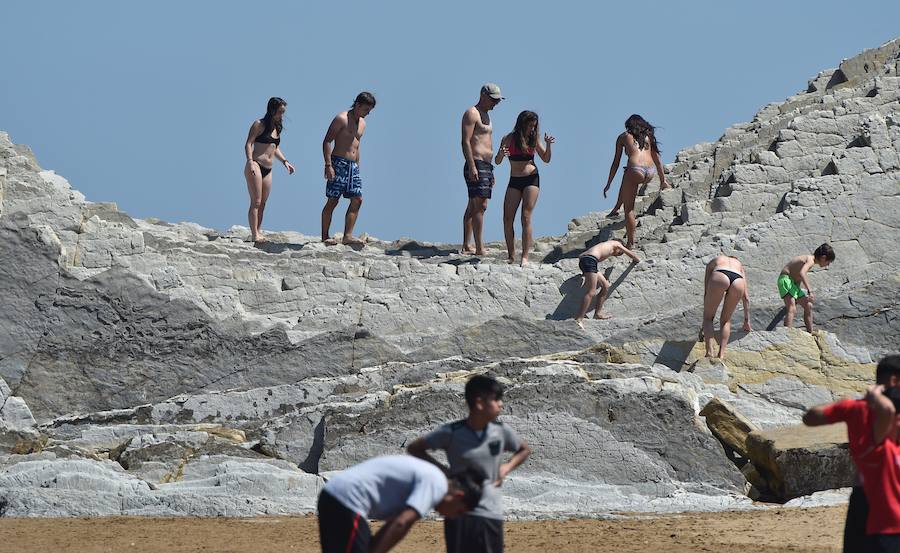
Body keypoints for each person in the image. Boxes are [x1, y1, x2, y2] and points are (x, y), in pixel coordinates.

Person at [407, 375, 530, 553]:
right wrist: (445, 472)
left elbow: (524, 450)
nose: (501, 404)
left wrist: (506, 467)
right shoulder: (452, 432)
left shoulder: (502, 431)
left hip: (490, 511)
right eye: (496, 399)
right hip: (458, 512)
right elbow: (415, 448)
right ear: (479, 403)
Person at [803, 355, 900, 552]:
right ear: (894, 381)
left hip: (864, 492)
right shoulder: (888, 413)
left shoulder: (856, 408)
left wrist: (846, 405)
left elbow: (810, 417)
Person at [317, 454, 484, 553]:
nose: (452, 516)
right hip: (347, 501)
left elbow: (397, 523)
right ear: (458, 495)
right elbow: (402, 523)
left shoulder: (432, 477)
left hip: (333, 496)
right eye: (459, 511)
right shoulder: (437, 484)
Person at [495, 111, 555, 266]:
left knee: (525, 216)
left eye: (534, 126)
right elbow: (498, 160)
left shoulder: (533, 139)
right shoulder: (508, 138)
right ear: (522, 124)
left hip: (531, 179)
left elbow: (546, 159)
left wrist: (548, 145)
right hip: (514, 180)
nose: (532, 129)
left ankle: (525, 256)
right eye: (529, 126)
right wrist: (501, 153)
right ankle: (511, 255)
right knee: (507, 218)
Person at [602, 114, 669, 247]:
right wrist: (663, 180)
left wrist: (608, 183)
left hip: (635, 170)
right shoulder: (648, 136)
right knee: (626, 173)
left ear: (628, 126)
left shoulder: (623, 137)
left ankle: (631, 243)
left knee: (629, 210)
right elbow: (657, 159)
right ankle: (616, 207)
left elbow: (616, 162)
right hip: (649, 172)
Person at [321, 92, 376, 246]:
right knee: (333, 200)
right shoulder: (341, 118)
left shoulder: (363, 123)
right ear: (357, 105)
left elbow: (356, 145)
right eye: (366, 109)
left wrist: (357, 164)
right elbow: (327, 141)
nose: (368, 113)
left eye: (369, 110)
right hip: (338, 163)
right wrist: (328, 165)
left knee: (357, 199)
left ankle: (348, 235)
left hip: (353, 166)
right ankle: (325, 236)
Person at [243, 97, 296, 243]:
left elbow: (274, 147)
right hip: (255, 165)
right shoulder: (259, 124)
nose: (281, 115)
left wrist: (285, 162)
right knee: (256, 201)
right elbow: (248, 144)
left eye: (283, 112)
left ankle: (258, 231)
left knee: (264, 203)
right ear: (272, 110)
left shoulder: (277, 127)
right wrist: (250, 162)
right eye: (280, 112)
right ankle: (254, 234)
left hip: (269, 169)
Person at [461, 84, 503, 255]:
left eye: (497, 100)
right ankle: (479, 247)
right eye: (493, 99)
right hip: (476, 163)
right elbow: (465, 141)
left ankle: (466, 244)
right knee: (480, 205)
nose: (496, 103)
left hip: (486, 165)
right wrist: (471, 166)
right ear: (483, 95)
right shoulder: (472, 113)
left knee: (474, 205)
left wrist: (491, 170)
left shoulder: (487, 115)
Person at [574, 240, 640, 328]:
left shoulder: (604, 244)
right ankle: (579, 319)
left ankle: (598, 313)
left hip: (587, 260)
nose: (615, 255)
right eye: (618, 253)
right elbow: (631, 254)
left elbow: (581, 255)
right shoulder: (616, 243)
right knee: (591, 292)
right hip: (590, 260)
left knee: (605, 286)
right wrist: (637, 259)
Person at [701, 255, 752, 358]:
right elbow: (746, 297)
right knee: (726, 320)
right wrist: (747, 321)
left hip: (720, 274)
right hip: (738, 279)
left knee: (708, 318)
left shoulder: (717, 259)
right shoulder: (739, 265)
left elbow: (706, 289)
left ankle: (709, 352)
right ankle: (721, 354)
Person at [778, 243, 835, 332]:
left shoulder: (810, 260)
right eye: (828, 262)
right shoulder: (810, 260)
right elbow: (802, 273)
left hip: (793, 284)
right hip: (786, 280)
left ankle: (810, 333)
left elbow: (798, 275)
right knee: (792, 308)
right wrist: (810, 291)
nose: (828, 265)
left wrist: (798, 292)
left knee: (808, 305)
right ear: (823, 258)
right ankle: (786, 334)